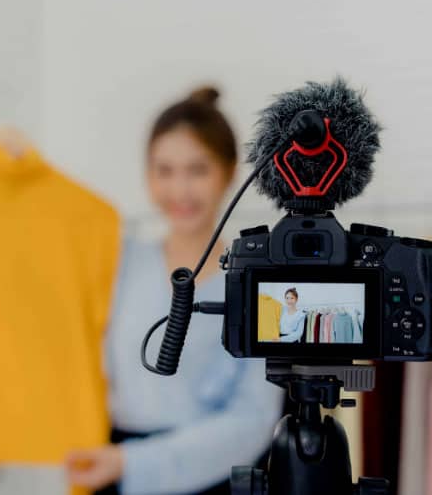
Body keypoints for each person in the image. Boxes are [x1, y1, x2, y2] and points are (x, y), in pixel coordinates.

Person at [66, 86, 283, 495]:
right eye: (164, 171)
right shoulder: (118, 261)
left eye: (197, 170)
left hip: (211, 479)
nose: (180, 191)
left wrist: (134, 463)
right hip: (111, 472)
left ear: (229, 172)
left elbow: (255, 419)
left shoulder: (258, 282)